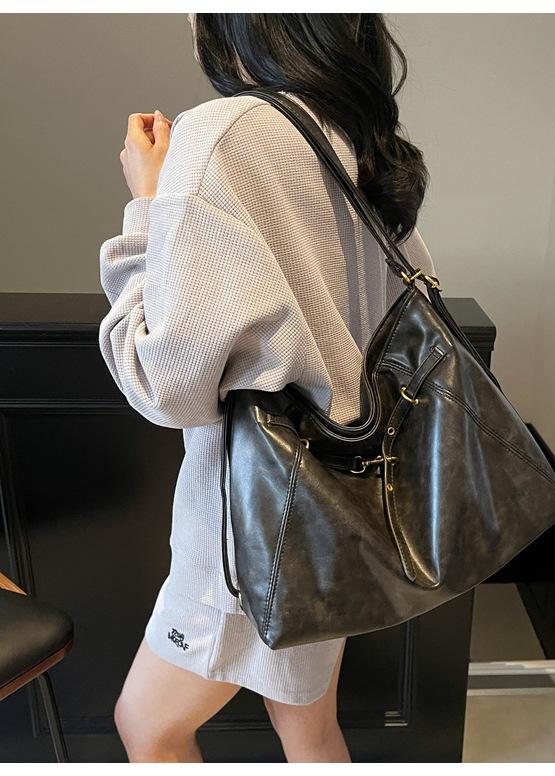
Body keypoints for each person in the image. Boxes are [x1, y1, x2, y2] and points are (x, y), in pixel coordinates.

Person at [98, 13, 436, 763]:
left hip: (251, 533)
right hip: (345, 506)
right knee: (309, 729)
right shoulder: (354, 137)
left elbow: (164, 386)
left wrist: (147, 202)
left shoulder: (219, 134)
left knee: (147, 729)